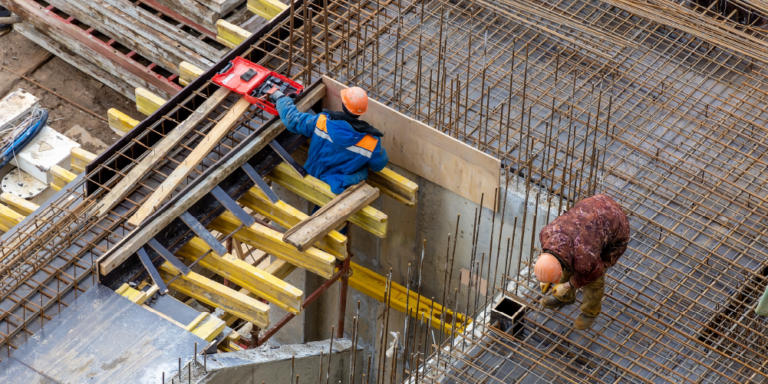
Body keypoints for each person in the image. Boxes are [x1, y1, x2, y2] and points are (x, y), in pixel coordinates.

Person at [534, 194, 630, 330]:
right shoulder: (546, 234)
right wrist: (544, 277)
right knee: (568, 264)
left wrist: (568, 285)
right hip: (592, 210)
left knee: (594, 281)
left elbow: (594, 273)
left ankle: (590, 312)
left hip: (616, 227)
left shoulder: (584, 257)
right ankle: (565, 298)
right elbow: (554, 257)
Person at [271, 86, 388, 194]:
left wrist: (281, 98)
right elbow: (378, 166)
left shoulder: (322, 122)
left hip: (312, 175)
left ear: (343, 104)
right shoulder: (371, 142)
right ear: (363, 111)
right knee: (363, 170)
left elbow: (292, 120)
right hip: (340, 184)